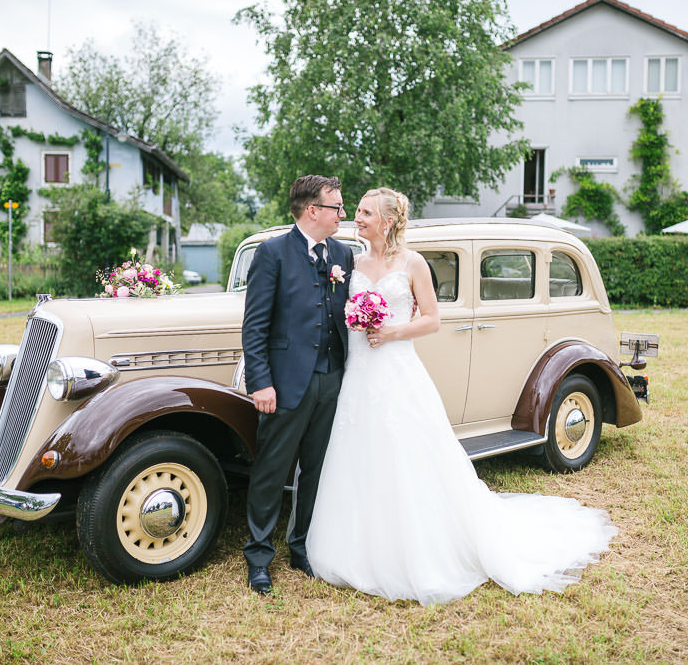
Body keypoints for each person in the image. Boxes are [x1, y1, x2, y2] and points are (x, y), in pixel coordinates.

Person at [306, 187, 617, 606]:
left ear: (388, 220)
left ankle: (414, 544)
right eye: (355, 210)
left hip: (396, 367)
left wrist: (393, 330)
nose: (355, 217)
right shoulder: (352, 262)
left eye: (363, 212)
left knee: (404, 450)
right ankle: (354, 539)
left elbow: (432, 319)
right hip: (358, 371)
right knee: (356, 449)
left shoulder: (413, 263)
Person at [241, 175, 355, 595]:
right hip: (285, 383)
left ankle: (301, 547)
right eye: (336, 207)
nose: (342, 214)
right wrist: (261, 383)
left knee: (316, 469)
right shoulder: (272, 253)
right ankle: (258, 557)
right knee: (272, 470)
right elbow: (254, 327)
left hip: (332, 377)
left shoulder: (343, 253)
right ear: (313, 210)